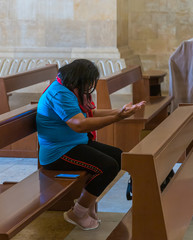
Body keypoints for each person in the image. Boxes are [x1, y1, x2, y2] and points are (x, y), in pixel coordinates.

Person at [36, 59, 146, 230]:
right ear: (78, 79)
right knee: (107, 166)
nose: (89, 86)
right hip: (58, 152)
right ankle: (78, 211)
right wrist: (117, 118)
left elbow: (90, 112)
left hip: (74, 144)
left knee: (118, 155)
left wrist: (119, 111)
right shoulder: (60, 94)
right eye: (88, 81)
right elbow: (79, 125)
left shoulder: (70, 89)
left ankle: (89, 204)